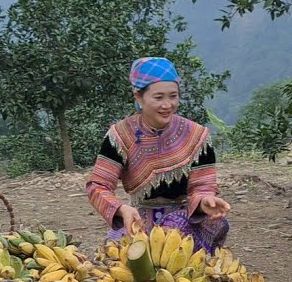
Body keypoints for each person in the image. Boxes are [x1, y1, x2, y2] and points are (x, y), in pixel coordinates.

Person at [86, 57, 231, 252]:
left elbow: (203, 186)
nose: (167, 104)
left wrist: (204, 201)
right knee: (115, 254)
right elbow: (98, 185)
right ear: (139, 97)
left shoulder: (197, 136)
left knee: (174, 240)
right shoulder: (120, 136)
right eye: (159, 97)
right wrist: (121, 209)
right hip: (139, 219)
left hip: (186, 219)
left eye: (173, 96)